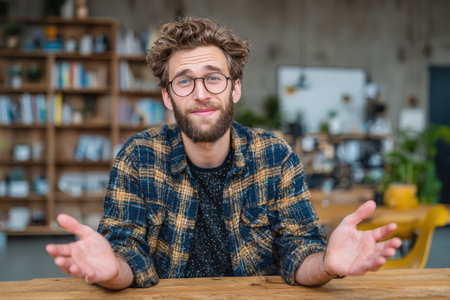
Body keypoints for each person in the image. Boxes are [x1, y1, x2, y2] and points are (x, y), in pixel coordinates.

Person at [46, 17, 401, 290]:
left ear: (235, 88)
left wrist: (326, 264)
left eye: (213, 77)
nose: (200, 93)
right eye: (184, 81)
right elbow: (125, 255)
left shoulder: (275, 156)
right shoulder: (138, 158)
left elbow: (299, 251)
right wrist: (111, 271)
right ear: (168, 97)